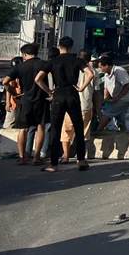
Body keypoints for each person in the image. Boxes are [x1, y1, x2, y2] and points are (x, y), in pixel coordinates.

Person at [37, 36, 93, 173]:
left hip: (58, 96)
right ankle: (81, 160)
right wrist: (82, 88)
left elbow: (38, 79)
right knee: (79, 129)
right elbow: (90, 74)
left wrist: (49, 91)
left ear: (58, 46)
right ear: (71, 47)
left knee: (56, 129)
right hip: (73, 95)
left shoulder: (52, 62)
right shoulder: (77, 61)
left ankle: (54, 164)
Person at [4, 43, 49, 165]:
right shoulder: (44, 64)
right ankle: (36, 157)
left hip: (26, 100)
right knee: (41, 127)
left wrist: (14, 93)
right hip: (41, 99)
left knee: (23, 129)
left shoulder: (20, 67)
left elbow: (5, 82)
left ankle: (22, 157)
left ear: (24, 54)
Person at [63, 49, 100, 162]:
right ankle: (80, 157)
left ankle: (65, 156)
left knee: (66, 131)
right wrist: (97, 108)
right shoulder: (94, 72)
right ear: (89, 60)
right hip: (86, 105)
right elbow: (96, 92)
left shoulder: (70, 69)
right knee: (83, 132)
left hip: (69, 104)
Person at [97, 54, 129, 132]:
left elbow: (128, 84)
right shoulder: (106, 74)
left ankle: (99, 131)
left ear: (106, 65)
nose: (100, 69)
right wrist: (105, 98)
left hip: (124, 99)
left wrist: (118, 98)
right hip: (114, 98)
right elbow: (106, 88)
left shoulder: (119, 71)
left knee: (108, 112)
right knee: (119, 119)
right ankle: (123, 135)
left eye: (101, 67)